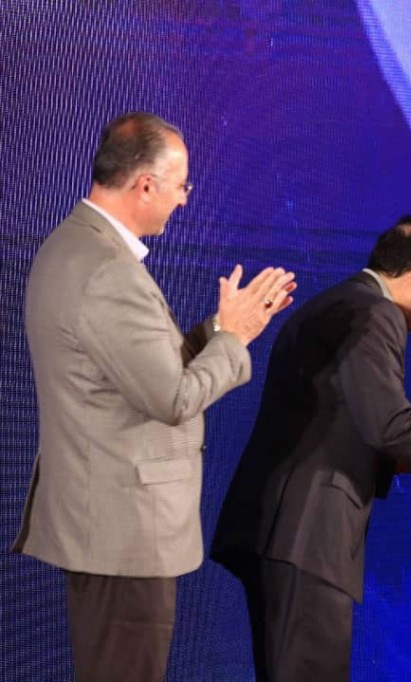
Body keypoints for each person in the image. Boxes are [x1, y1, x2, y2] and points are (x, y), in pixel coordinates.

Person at [11, 112, 296, 682]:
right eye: (182, 185)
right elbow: (172, 398)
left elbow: (138, 370)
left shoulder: (73, 247)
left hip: (103, 525)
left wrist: (221, 328)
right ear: (146, 185)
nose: (184, 199)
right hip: (123, 535)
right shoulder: (107, 272)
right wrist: (234, 339)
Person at [212, 216, 411, 681]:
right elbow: (388, 424)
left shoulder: (338, 303)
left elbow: (350, 428)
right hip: (308, 530)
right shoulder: (376, 312)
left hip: (282, 527)